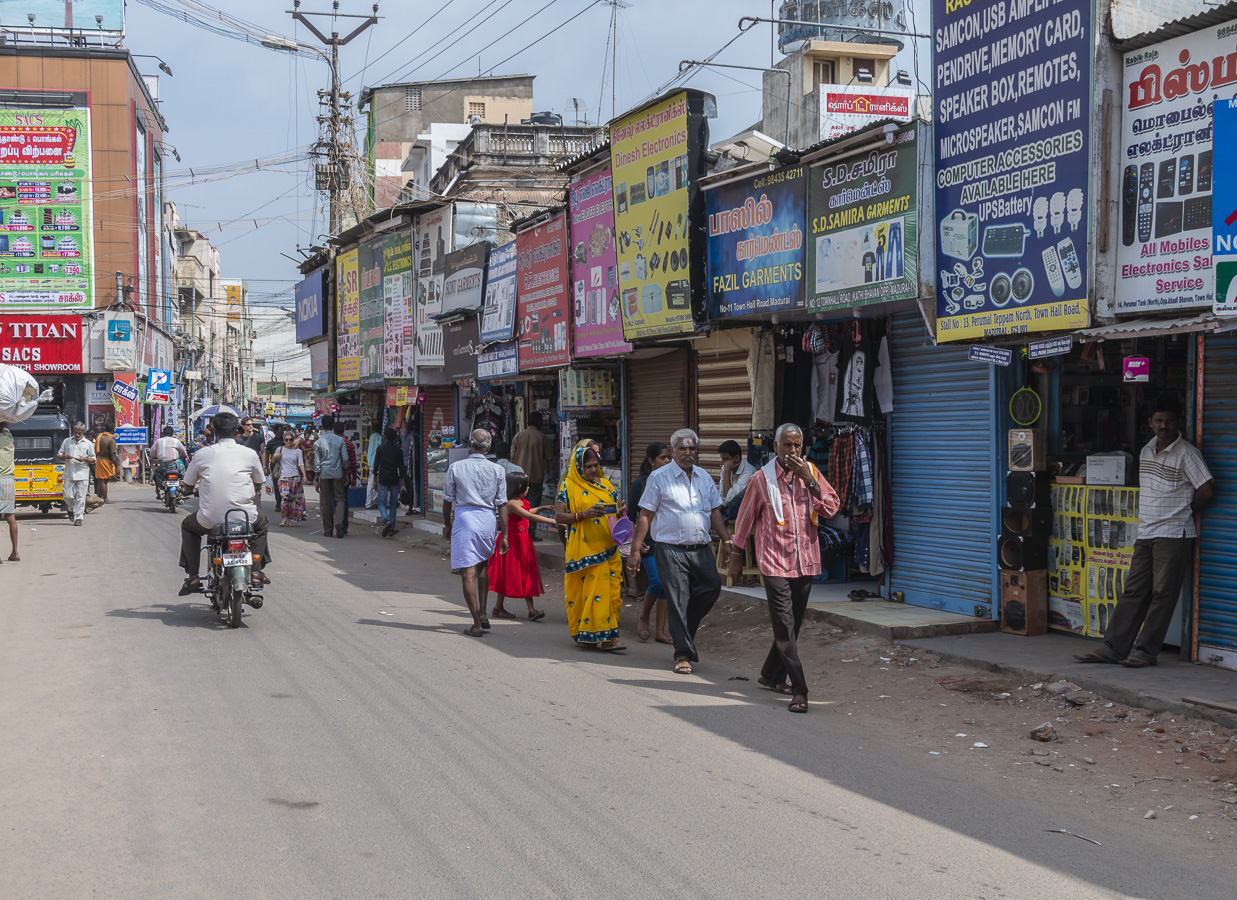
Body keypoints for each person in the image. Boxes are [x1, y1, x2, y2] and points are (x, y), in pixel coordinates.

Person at [1075, 396, 1215, 668]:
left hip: (1173, 534)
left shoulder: (1186, 453)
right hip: (1147, 532)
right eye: (1159, 420)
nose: (1164, 425)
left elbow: (1207, 490)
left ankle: (1145, 652)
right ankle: (1113, 648)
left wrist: (1184, 510)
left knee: (1163, 594)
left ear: (1178, 423)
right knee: (1134, 591)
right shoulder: (1146, 451)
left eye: (1169, 421)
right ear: (1150, 423)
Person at [729, 423, 841, 714]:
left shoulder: (811, 473)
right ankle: (800, 689)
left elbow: (832, 508)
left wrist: (811, 481)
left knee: (794, 625)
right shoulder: (761, 479)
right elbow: (744, 519)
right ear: (775, 447)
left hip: (805, 561)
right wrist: (736, 555)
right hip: (774, 561)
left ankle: (770, 674)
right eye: (787, 445)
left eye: (797, 445)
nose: (793, 451)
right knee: (785, 626)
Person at [627, 428, 732, 675]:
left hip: (701, 548)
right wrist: (635, 549)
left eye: (692, 448)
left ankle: (683, 630)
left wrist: (727, 542)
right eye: (682, 448)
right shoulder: (659, 478)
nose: (688, 453)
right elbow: (645, 515)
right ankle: (682, 654)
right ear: (673, 451)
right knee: (677, 598)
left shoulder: (704, 477)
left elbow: (715, 511)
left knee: (711, 587)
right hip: (670, 549)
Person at [177, 412, 270, 595]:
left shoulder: (202, 454)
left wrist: (189, 492)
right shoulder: (250, 454)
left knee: (188, 527)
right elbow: (259, 482)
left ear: (214, 432)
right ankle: (257, 572)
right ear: (237, 431)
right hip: (245, 516)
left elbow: (187, 487)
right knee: (262, 524)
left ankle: (193, 576)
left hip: (210, 518)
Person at [555, 445, 628, 651]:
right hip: (585, 551)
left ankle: (605, 634)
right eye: (588, 466)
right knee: (592, 593)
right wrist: (583, 515)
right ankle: (605, 638)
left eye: (596, 465)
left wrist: (621, 511)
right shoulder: (568, 487)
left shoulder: (606, 486)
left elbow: (616, 514)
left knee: (612, 594)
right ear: (578, 467)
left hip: (608, 547)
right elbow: (559, 517)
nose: (593, 469)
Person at [443, 429, 509, 637]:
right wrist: (505, 534)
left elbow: (447, 499)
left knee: (467, 573)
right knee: (483, 567)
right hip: (487, 521)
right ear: (488, 448)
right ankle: (482, 613)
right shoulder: (497, 470)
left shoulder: (456, 467)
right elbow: (502, 504)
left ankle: (477, 624)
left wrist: (447, 525)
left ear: (469, 446)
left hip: (465, 519)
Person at [488, 472, 555, 622]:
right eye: (527, 485)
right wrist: (554, 522)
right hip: (512, 542)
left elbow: (528, 512)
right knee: (513, 574)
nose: (529, 488)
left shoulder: (519, 501)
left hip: (522, 541)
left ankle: (506, 608)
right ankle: (521, 609)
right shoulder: (510, 503)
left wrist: (542, 507)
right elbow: (529, 516)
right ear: (519, 486)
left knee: (524, 573)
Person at [628, 442, 673, 644]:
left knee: (666, 585)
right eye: (663, 458)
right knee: (657, 581)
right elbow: (631, 516)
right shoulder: (641, 483)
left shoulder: (674, 482)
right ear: (651, 461)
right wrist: (635, 544)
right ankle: (644, 617)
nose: (668, 461)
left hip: (668, 540)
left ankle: (660, 631)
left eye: (669, 457)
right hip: (648, 542)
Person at [509, 411, 555, 510]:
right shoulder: (542, 437)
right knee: (533, 505)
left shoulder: (518, 436)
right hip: (536, 477)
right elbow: (549, 457)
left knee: (519, 503)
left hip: (519, 477)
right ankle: (531, 524)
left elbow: (512, 458)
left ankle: (522, 523)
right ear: (539, 423)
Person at [314, 415, 348, 538]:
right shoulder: (340, 440)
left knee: (326, 502)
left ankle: (328, 530)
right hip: (337, 473)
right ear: (333, 426)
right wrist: (346, 472)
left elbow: (317, 463)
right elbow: (346, 459)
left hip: (324, 474)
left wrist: (317, 478)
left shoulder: (318, 442)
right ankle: (339, 522)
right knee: (340, 499)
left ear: (322, 426)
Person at [57, 422, 95, 526]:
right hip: (69, 473)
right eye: (75, 433)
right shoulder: (67, 441)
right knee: (68, 496)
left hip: (82, 474)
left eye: (79, 433)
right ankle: (71, 509)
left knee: (80, 497)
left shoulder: (88, 443)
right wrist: (65, 456)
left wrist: (84, 459)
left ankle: (78, 518)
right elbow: (59, 455)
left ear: (83, 432)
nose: (77, 435)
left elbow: (93, 459)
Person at [373, 427, 406, 537]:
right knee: (393, 503)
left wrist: (374, 480)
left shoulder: (380, 449)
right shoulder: (398, 451)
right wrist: (403, 484)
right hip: (394, 479)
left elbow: (376, 466)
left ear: (385, 437)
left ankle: (386, 520)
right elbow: (402, 468)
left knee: (381, 502)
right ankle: (392, 528)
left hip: (383, 478)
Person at [272, 428, 308, 527]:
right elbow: (273, 461)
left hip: (295, 477)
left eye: (290, 439)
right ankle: (284, 519)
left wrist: (304, 475)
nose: (288, 441)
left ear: (293, 440)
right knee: (284, 498)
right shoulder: (279, 449)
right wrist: (275, 456)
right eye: (286, 440)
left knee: (293, 500)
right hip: (283, 478)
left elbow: (301, 464)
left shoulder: (298, 451)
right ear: (283, 440)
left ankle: (290, 519)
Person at [718, 439, 757, 522]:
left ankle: (725, 518)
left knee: (734, 503)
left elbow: (729, 497)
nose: (723, 462)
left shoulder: (750, 472)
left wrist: (727, 472)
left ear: (737, 458)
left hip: (743, 508)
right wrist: (716, 510)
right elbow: (722, 495)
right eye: (722, 459)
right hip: (729, 507)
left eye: (725, 459)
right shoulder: (724, 468)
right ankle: (725, 518)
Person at [238, 417, 266, 507]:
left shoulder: (258, 437)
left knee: (256, 489)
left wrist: (264, 466)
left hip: (256, 467)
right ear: (243, 426)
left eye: (251, 424)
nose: (251, 426)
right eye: (248, 425)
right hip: (244, 469)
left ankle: (257, 510)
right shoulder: (239, 440)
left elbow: (263, 452)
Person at [152, 425, 188, 497]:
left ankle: (157, 491)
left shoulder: (158, 441)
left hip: (162, 466)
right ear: (172, 434)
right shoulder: (176, 441)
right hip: (174, 465)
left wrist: (155, 456)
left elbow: (152, 454)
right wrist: (183, 455)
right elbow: (184, 452)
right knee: (183, 471)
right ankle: (184, 489)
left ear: (163, 433)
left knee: (155, 474)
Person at [0, 420, 18, 562]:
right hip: (8, 481)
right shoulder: (8, 439)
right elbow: (6, 425)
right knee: (10, 517)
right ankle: (15, 552)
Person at [93, 427, 120, 504]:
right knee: (104, 480)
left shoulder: (100, 436)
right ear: (113, 430)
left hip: (99, 460)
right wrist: (117, 465)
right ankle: (105, 499)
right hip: (106, 461)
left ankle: (99, 497)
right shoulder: (111, 440)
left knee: (100, 480)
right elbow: (113, 455)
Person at [341, 430, 360, 536]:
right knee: (343, 500)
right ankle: (343, 525)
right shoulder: (349, 444)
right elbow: (353, 462)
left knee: (334, 500)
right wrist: (354, 477)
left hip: (331, 476)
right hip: (345, 477)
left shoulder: (329, 443)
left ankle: (334, 525)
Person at [264, 424, 286, 510]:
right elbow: (266, 455)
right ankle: (278, 503)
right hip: (274, 465)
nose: (282, 431)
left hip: (284, 464)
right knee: (276, 485)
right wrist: (266, 467)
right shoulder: (270, 443)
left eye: (282, 429)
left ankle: (284, 503)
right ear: (276, 431)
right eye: (280, 429)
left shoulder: (285, 441)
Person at [366, 428, 382, 509]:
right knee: (373, 482)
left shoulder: (372, 436)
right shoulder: (379, 437)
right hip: (374, 462)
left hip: (371, 461)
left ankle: (372, 501)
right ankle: (369, 503)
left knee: (373, 482)